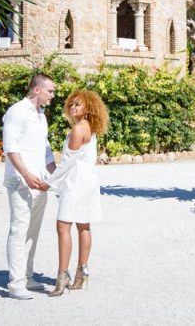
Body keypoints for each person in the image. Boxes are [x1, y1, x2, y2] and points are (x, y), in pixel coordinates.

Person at [44, 89, 108, 296]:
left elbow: (67, 164)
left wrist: (48, 182)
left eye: (77, 104)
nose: (73, 107)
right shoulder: (91, 128)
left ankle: (62, 277)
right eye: (71, 104)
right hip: (88, 182)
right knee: (83, 226)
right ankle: (82, 272)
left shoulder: (78, 130)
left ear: (88, 107)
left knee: (63, 226)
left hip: (76, 184)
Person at [2, 74, 56, 299]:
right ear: (36, 90)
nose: (53, 96)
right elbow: (10, 147)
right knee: (19, 229)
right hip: (20, 182)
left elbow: (45, 149)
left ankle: (27, 275)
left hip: (40, 182)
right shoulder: (17, 111)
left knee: (33, 231)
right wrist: (26, 174)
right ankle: (15, 284)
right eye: (50, 91)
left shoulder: (41, 114)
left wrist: (57, 176)